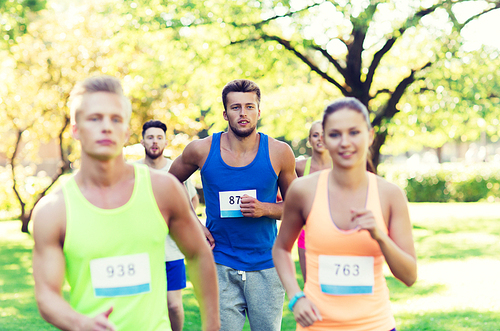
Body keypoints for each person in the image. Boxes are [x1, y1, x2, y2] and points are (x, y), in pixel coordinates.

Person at [32, 75, 219, 331]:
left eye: (116, 119)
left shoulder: (163, 190)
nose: (106, 127)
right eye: (95, 118)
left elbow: (198, 255)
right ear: (75, 129)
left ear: (126, 131)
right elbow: (46, 294)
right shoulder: (53, 211)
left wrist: (212, 325)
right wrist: (79, 323)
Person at [273, 97, 417, 330]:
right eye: (335, 134)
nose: (345, 142)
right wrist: (296, 297)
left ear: (369, 136)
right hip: (317, 326)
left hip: (375, 325)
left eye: (354, 132)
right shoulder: (303, 190)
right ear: (323, 140)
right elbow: (281, 249)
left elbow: (409, 276)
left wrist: (380, 236)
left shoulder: (390, 195)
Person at [169, 79, 297, 331]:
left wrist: (266, 208)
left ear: (259, 111)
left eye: (250, 107)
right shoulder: (201, 150)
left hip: (266, 264)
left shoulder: (279, 152)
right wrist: (194, 222)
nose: (243, 114)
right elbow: (169, 183)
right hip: (218, 262)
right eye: (236, 107)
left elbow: (298, 208)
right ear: (225, 113)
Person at [136, 119, 199, 331]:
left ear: (165, 141)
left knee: (173, 304)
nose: (155, 142)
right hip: (141, 251)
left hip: (171, 250)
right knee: (145, 305)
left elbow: (192, 201)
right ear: (143, 141)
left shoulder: (176, 169)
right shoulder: (132, 172)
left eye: (159, 138)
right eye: (150, 137)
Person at [294, 120, 332, 282]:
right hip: (307, 233)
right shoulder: (300, 167)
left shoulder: (341, 166)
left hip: (334, 232)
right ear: (309, 140)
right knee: (310, 285)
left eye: (324, 135)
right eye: (315, 135)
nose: (320, 139)